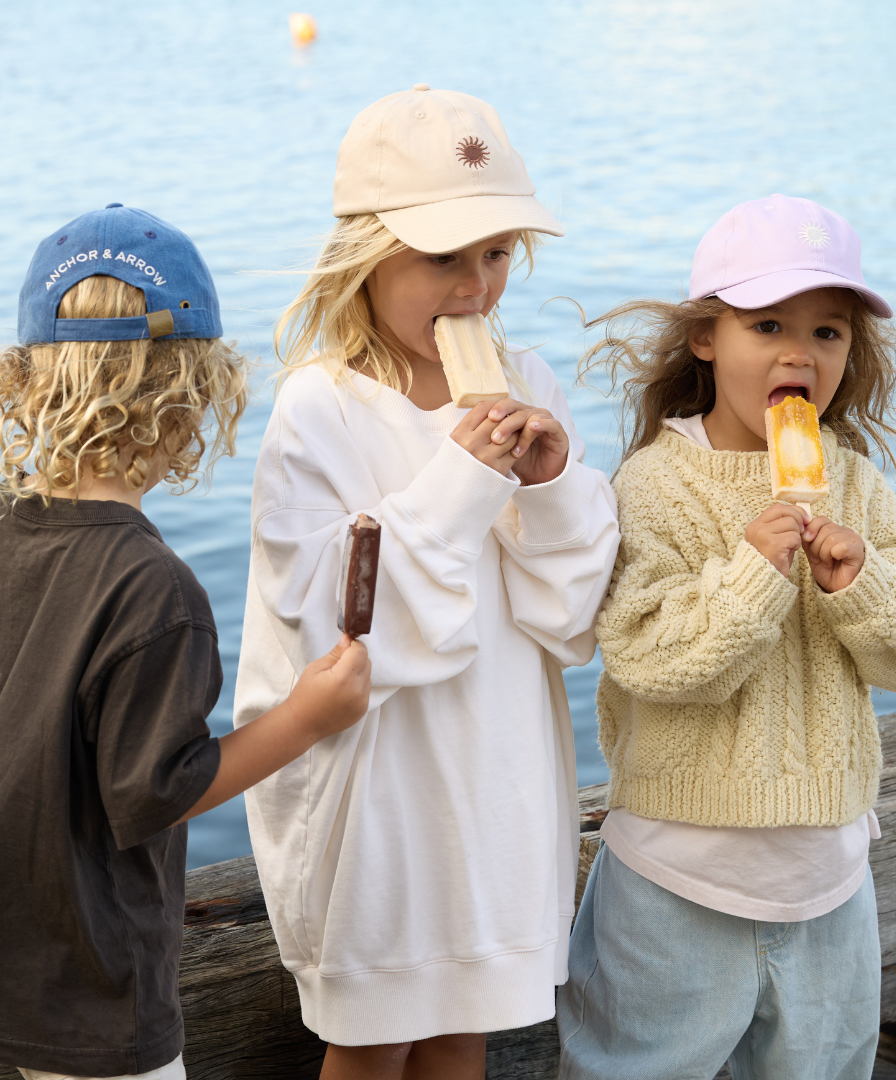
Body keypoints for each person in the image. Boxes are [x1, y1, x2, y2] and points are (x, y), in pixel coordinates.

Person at [0, 204, 371, 1080]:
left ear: (26, 381)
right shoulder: (155, 589)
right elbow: (156, 792)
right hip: (97, 992)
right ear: (193, 398)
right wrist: (308, 716)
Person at [231, 86, 620, 1080]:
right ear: (367, 253)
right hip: (377, 797)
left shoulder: (527, 379)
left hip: (500, 774)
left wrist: (555, 489)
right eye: (445, 256)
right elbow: (335, 624)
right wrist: (464, 475)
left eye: (496, 255)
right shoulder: (320, 409)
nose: (476, 287)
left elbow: (568, 617)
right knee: (372, 1040)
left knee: (462, 1032)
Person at [557, 194, 896, 1080]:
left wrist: (864, 584)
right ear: (707, 337)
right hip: (676, 880)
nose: (798, 353)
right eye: (767, 323)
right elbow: (653, 654)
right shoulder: (658, 483)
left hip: (830, 882)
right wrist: (751, 573)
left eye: (828, 333)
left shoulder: (849, 480)